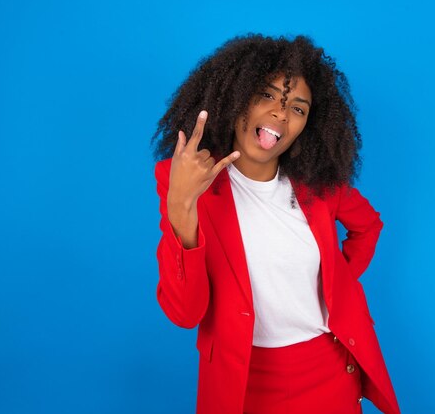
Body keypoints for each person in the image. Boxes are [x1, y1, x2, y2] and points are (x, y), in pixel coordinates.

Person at [152, 34, 400, 414]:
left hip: (328, 375)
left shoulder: (319, 185)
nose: (281, 114)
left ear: (307, 126)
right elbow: (186, 314)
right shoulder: (185, 178)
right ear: (235, 97)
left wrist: (333, 284)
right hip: (243, 383)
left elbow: (368, 227)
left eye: (298, 109)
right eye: (267, 95)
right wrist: (182, 204)